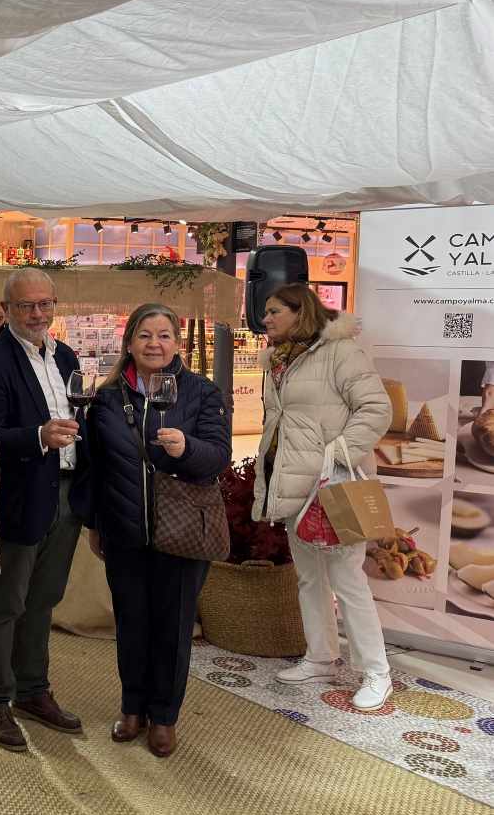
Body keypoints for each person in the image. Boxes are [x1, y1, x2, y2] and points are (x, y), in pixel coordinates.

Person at [79, 303, 231, 758]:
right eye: (145, 335)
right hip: (124, 530)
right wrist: (95, 523)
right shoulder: (107, 399)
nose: (154, 344)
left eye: (164, 336)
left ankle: (164, 716)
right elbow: (96, 466)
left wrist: (187, 449)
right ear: (129, 343)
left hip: (181, 533)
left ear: (177, 344)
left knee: (173, 627)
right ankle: (132, 708)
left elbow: (218, 457)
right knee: (131, 623)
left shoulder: (201, 392)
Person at [254, 283, 393, 711]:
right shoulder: (278, 359)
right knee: (310, 577)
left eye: (274, 311)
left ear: (301, 312)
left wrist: (337, 455)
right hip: (294, 483)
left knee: (348, 580)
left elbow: (377, 408)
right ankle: (320, 657)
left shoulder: (340, 352)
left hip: (333, 485)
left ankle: (377, 672)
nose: (265, 319)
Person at [0, 267, 85, 752]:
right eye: (26, 306)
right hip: (17, 496)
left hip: (65, 494)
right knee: (4, 604)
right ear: (6, 310)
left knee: (43, 600)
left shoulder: (66, 356)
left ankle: (33, 690)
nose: (37, 314)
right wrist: (38, 436)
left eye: (44, 304)